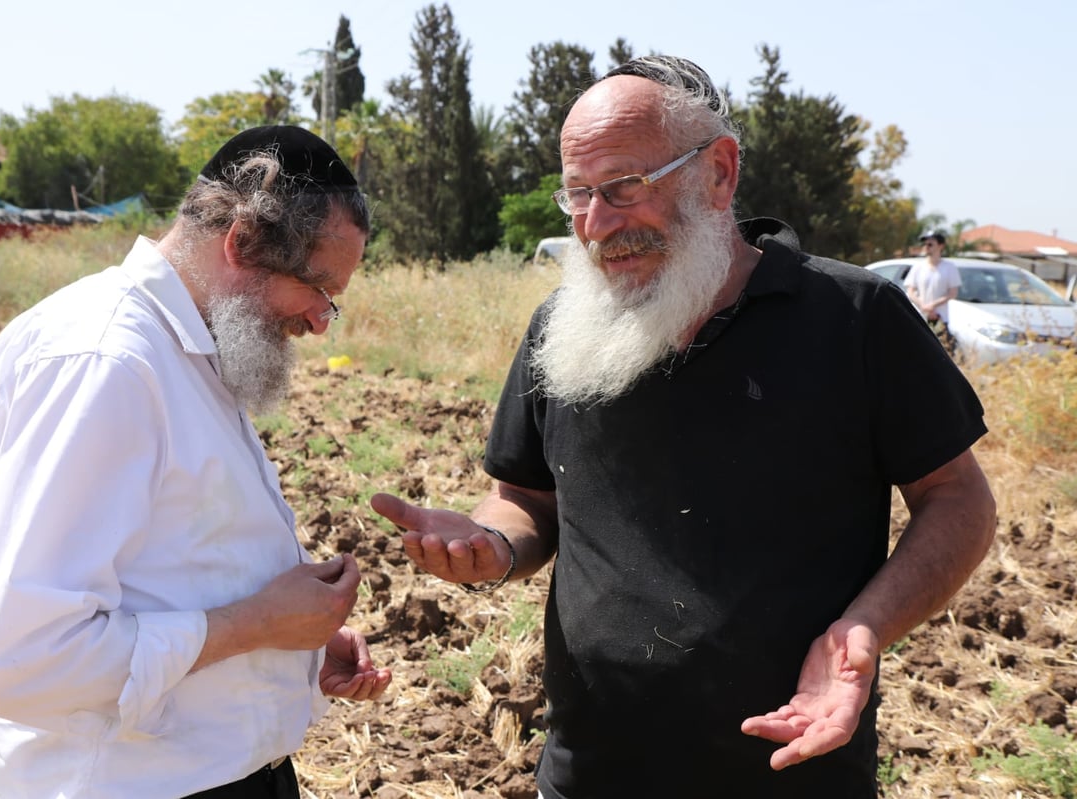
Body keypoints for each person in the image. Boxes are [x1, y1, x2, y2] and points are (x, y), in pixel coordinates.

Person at [370, 56, 996, 798]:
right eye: (578, 194)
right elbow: (528, 499)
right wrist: (492, 545)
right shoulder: (561, 328)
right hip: (590, 770)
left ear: (719, 173)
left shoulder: (855, 319)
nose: (597, 224)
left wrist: (862, 627)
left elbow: (958, 500)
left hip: (792, 766)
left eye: (625, 188)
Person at [0, 125, 392, 799]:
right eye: (319, 289)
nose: (320, 323)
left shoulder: (192, 347)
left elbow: (169, 577)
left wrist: (290, 648)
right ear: (242, 242)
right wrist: (257, 625)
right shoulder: (105, 364)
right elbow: (25, 661)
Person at [905, 228, 962, 351]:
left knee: (942, 351)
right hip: (920, 317)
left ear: (941, 246)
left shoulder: (949, 267)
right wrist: (923, 305)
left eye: (930, 244)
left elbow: (952, 293)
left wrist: (933, 306)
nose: (927, 247)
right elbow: (910, 291)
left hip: (940, 317)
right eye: (925, 244)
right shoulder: (918, 267)